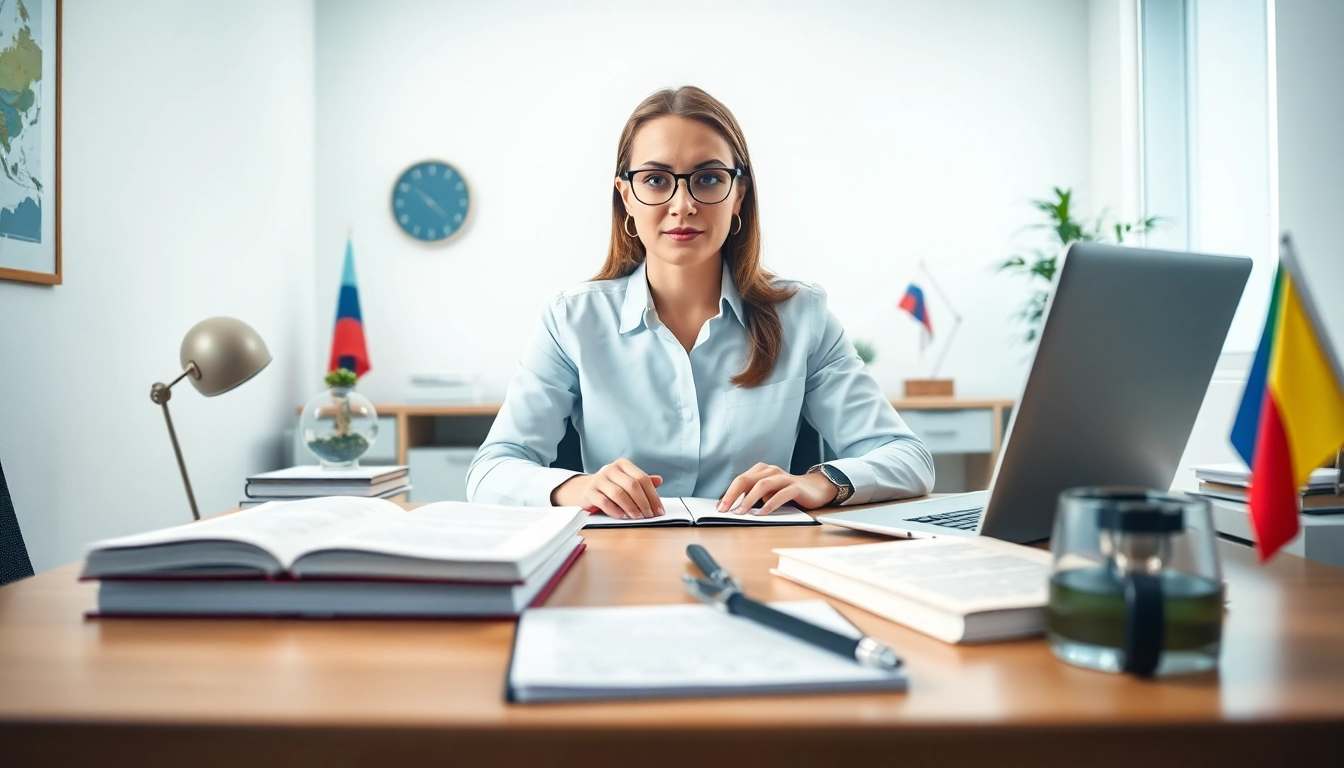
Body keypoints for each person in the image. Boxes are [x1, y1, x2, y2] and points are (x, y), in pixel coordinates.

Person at [467, 86, 933, 519]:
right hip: (621, 566)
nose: (683, 203)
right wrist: (578, 489)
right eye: (655, 180)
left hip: (757, 563)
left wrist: (822, 482)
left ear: (739, 195)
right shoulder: (570, 320)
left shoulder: (801, 315)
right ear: (626, 196)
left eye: (708, 179)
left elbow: (908, 458)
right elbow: (491, 471)